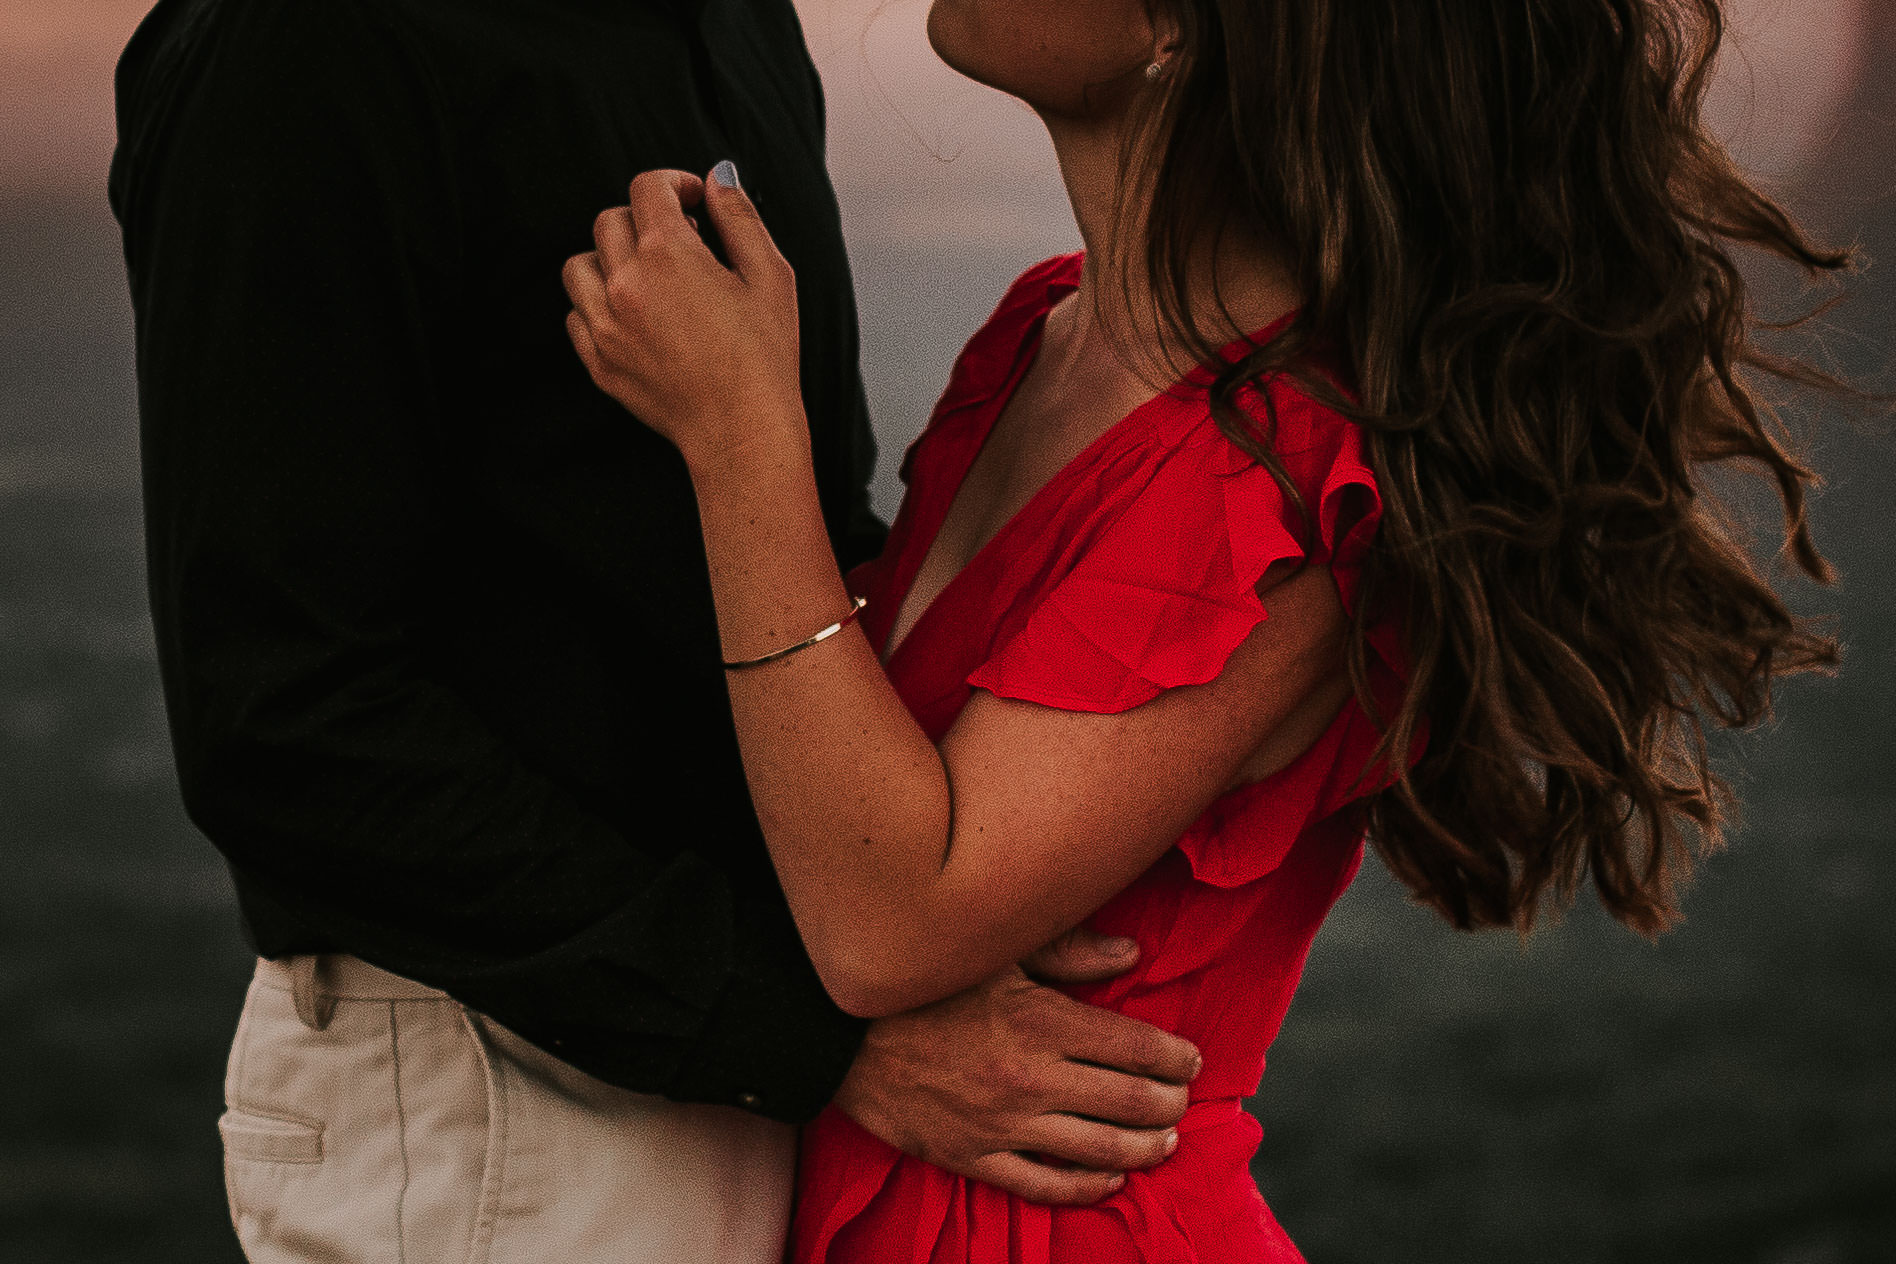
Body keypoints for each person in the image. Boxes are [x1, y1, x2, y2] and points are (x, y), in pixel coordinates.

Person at [562, 0, 1851, 1257]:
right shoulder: (1043, 333)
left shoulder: (1285, 473)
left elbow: (892, 921)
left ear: (1175, 28)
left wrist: (739, 434)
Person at [107, 0, 1204, 1259]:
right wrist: (808, 1029)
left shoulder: (733, 20)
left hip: (766, 1070)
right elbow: (281, 720)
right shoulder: (315, 41)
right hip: (504, 1097)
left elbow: (798, 534)